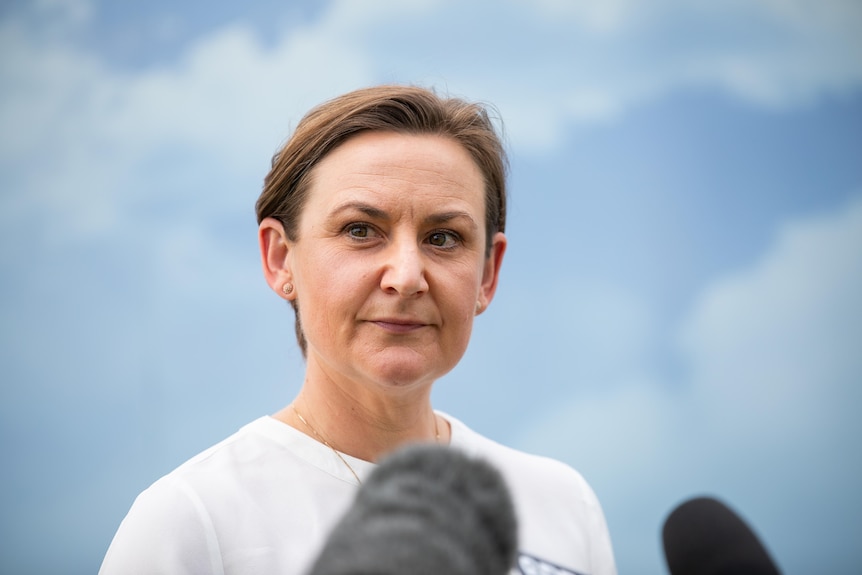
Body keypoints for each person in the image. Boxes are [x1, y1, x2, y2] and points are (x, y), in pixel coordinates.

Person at [99, 85, 617, 575]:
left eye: (444, 237)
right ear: (281, 259)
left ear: (487, 273)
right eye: (360, 230)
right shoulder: (193, 523)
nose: (408, 276)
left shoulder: (561, 507)